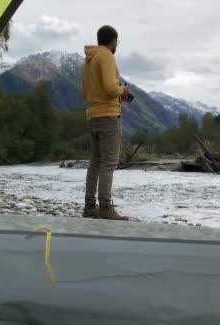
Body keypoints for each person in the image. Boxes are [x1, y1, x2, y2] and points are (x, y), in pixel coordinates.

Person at [81, 25, 131, 220]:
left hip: (93, 115)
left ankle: (89, 206)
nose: (116, 46)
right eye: (116, 42)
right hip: (109, 117)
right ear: (113, 41)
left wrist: (117, 96)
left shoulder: (88, 61)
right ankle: (105, 207)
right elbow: (111, 88)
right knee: (109, 164)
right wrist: (122, 91)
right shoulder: (107, 56)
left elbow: (87, 93)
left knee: (95, 162)